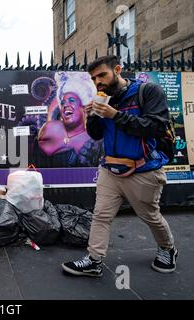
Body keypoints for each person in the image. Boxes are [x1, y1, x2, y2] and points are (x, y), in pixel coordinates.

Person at [61, 56, 177, 277]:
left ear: (117, 69)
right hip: (110, 170)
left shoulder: (147, 92)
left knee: (150, 216)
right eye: (94, 78)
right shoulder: (103, 100)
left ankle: (167, 248)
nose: (98, 82)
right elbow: (96, 135)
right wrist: (92, 116)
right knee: (100, 216)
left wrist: (116, 116)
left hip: (144, 169)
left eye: (102, 75)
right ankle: (94, 261)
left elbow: (156, 126)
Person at [35, 72, 103, 167]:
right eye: (62, 103)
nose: (65, 105)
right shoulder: (52, 128)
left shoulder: (95, 136)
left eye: (71, 100)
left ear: (83, 107)